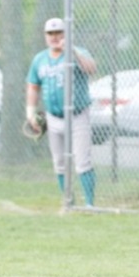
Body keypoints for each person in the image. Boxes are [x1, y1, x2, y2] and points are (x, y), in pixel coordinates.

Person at [26, 17, 99, 207]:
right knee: (59, 163)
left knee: (82, 161)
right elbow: (33, 86)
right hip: (53, 118)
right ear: (45, 36)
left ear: (66, 34)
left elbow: (92, 69)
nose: (55, 37)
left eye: (59, 32)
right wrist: (31, 112)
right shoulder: (39, 59)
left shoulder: (77, 53)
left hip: (77, 115)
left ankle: (90, 204)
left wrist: (71, 51)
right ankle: (69, 202)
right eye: (50, 33)